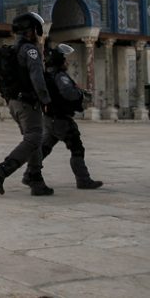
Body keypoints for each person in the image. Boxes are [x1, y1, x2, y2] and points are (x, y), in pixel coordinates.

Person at [0, 12, 54, 196]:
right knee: (34, 137)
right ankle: (2, 170)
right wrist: (45, 100)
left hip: (14, 102)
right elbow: (37, 78)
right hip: (27, 102)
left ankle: (35, 178)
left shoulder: (13, 50)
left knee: (34, 140)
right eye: (35, 30)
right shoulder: (30, 50)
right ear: (30, 31)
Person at [25, 44, 103, 190]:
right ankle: (83, 180)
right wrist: (81, 94)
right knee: (77, 147)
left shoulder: (47, 75)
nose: (67, 63)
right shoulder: (60, 76)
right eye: (65, 60)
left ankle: (29, 174)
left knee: (44, 148)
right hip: (60, 119)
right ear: (59, 61)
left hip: (50, 118)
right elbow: (68, 93)